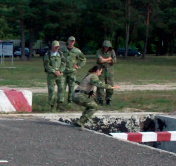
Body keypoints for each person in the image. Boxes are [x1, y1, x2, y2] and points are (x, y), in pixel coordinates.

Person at [60, 36, 86, 103]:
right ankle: (61, 101)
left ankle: (70, 101)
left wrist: (78, 66)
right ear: (68, 41)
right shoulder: (62, 50)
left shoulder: (77, 51)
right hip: (63, 71)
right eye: (70, 41)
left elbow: (83, 59)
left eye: (73, 41)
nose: (71, 42)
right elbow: (57, 58)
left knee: (71, 87)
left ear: (74, 42)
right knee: (62, 87)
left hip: (72, 72)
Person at [43, 40, 66, 112]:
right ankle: (52, 106)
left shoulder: (60, 54)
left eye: (58, 46)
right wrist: (54, 71)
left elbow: (64, 63)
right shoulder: (48, 54)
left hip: (60, 74)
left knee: (61, 88)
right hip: (51, 75)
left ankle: (60, 105)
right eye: (55, 46)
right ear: (52, 46)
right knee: (51, 90)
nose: (57, 48)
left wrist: (60, 71)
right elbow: (46, 65)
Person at [96, 40, 117, 106]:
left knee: (110, 85)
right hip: (100, 71)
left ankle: (108, 100)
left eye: (107, 46)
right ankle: (100, 100)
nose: (106, 48)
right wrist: (108, 59)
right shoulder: (99, 51)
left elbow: (114, 60)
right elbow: (99, 60)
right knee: (100, 85)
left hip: (109, 71)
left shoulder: (112, 51)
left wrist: (104, 60)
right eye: (105, 46)